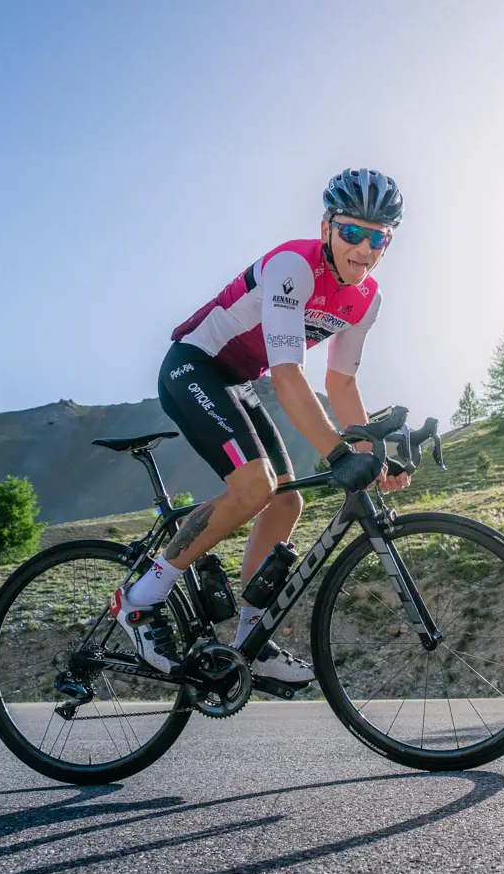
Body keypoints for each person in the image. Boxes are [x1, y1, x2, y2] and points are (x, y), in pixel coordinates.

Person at [112, 168, 413, 684]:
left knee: (286, 499)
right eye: (352, 232)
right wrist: (339, 454)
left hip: (237, 381)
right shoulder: (294, 265)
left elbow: (340, 385)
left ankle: (251, 637)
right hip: (194, 365)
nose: (363, 248)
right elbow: (289, 373)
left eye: (377, 237)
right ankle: (140, 600)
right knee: (254, 486)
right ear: (327, 227)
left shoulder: (366, 300)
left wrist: (372, 453)